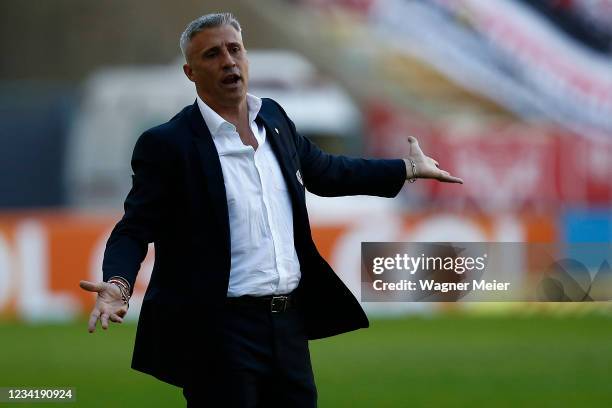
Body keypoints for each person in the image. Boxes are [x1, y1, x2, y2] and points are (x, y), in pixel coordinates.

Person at [79, 12, 463, 407]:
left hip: (288, 326)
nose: (228, 61)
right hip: (219, 333)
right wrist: (118, 283)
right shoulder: (168, 144)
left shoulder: (274, 119)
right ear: (190, 72)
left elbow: (327, 171)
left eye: (235, 49)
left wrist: (407, 169)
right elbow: (135, 228)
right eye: (212, 54)